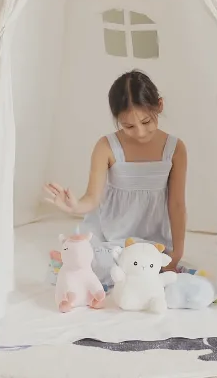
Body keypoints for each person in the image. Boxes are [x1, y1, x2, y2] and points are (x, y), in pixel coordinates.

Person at [43, 69, 189, 287]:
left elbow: (177, 204)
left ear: (159, 105)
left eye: (146, 121)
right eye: (128, 126)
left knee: (147, 266)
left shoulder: (175, 148)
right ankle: (71, 261)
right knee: (102, 264)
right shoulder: (106, 147)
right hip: (111, 236)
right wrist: (74, 207)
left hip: (153, 237)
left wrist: (177, 253)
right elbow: (92, 198)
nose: (139, 132)